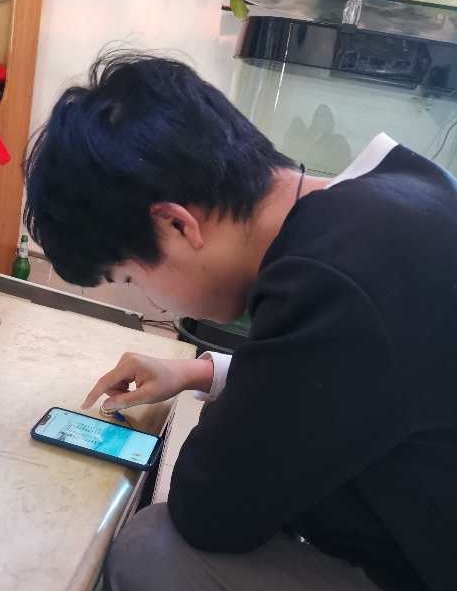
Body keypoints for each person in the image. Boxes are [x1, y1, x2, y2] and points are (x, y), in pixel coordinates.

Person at [24, 51, 457, 591]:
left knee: (152, 551)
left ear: (176, 225)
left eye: (131, 278)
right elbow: (355, 378)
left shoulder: (334, 281)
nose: (157, 304)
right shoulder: (395, 191)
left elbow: (210, 509)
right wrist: (201, 371)